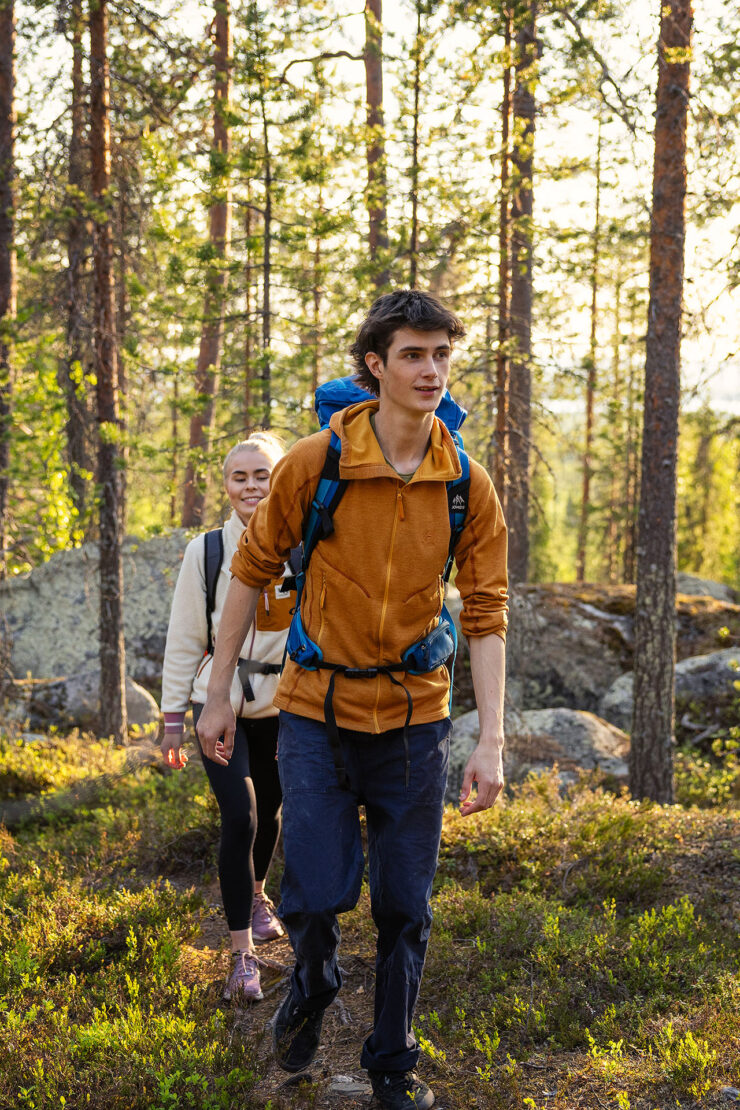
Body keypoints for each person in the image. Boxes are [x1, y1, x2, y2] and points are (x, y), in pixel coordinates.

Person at [196, 290, 508, 1110]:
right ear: (376, 365)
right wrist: (217, 690)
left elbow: (487, 613)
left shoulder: (466, 484)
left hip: (415, 721)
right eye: (412, 353)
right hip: (314, 715)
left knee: (406, 905)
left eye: (441, 353)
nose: (430, 369)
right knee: (315, 891)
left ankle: (393, 1064)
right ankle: (313, 979)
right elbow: (249, 573)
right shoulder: (316, 462)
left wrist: (492, 742)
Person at [161, 432, 292, 1005]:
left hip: (288, 705)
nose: (252, 486)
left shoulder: (306, 543)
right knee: (240, 815)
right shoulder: (207, 551)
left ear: (282, 478)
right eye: (240, 477)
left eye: (262, 475)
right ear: (226, 485)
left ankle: (258, 894)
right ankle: (242, 954)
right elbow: (185, 636)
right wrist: (171, 718)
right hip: (219, 704)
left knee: (271, 813)